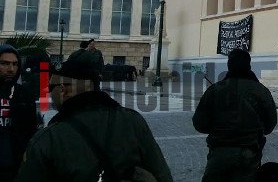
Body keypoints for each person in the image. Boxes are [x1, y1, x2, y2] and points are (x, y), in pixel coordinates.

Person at [16, 58, 172, 181]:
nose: (50, 93)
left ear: (63, 90)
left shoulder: (49, 138)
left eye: (51, 88)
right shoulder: (133, 121)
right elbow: (162, 174)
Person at [193, 49, 278, 182]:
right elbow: (270, 125)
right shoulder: (261, 91)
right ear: (249, 65)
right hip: (249, 155)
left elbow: (199, 124)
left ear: (229, 65)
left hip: (219, 155)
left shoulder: (215, 90)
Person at [0, 44, 38, 180]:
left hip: (15, 167)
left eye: (15, 64)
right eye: (4, 63)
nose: (11, 69)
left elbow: (31, 130)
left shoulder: (24, 95)